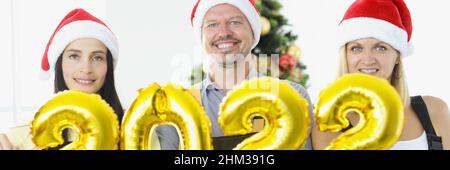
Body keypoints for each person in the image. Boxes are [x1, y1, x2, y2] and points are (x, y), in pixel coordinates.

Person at [156, 0, 314, 150]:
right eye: (212, 25)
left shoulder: (293, 97)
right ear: (202, 37)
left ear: (253, 33)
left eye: (235, 22)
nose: (223, 32)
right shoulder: (177, 108)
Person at [312, 0, 450, 150]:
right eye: (356, 48)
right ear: (345, 55)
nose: (367, 60)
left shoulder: (434, 110)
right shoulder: (327, 128)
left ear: (397, 56)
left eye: (380, 48)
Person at [0, 8, 124, 150]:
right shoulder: (23, 136)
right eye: (74, 56)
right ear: (60, 64)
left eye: (97, 58)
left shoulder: (134, 129)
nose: (86, 69)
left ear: (108, 66)